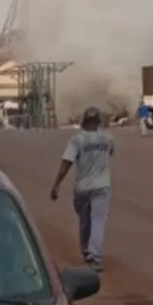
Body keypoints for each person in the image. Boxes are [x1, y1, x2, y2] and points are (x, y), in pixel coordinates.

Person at [50, 107, 114, 271]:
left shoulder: (77, 139)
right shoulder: (107, 139)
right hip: (102, 185)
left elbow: (67, 162)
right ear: (99, 122)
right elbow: (111, 153)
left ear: (83, 122)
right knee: (98, 221)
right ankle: (93, 255)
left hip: (83, 188)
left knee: (85, 221)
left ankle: (88, 252)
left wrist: (57, 184)